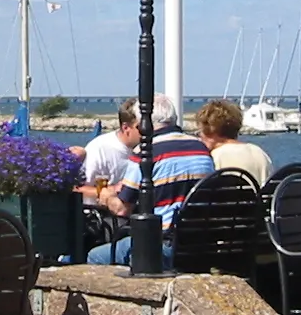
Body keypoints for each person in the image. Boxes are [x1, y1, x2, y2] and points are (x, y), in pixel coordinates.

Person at [87, 94, 215, 266]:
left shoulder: (146, 152)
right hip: (199, 243)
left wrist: (107, 196)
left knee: (96, 256)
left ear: (143, 124)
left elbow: (122, 209)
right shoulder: (200, 148)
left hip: (163, 244)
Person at [196, 99, 272, 186]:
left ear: (210, 132)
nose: (199, 139)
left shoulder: (213, 159)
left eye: (199, 133)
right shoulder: (260, 153)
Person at [78, 100, 140, 204]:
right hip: (100, 215)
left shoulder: (149, 148)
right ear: (126, 128)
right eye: (141, 127)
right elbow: (78, 189)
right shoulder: (100, 148)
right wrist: (112, 190)